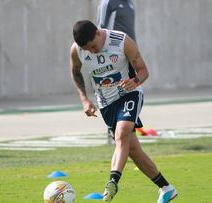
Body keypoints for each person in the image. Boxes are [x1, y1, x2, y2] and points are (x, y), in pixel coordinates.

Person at [70, 20, 177, 203]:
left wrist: (135, 82)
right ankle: (166, 188)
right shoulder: (77, 50)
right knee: (133, 150)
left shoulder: (121, 41)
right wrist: (84, 99)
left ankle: (113, 181)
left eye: (93, 47)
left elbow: (143, 70)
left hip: (129, 94)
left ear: (97, 33)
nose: (92, 52)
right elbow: (75, 71)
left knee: (121, 133)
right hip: (106, 104)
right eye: (88, 50)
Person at [97, 0, 137, 144]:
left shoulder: (130, 3)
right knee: (113, 94)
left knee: (131, 91)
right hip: (113, 55)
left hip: (129, 53)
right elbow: (101, 28)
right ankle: (112, 132)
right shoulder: (108, 3)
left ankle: (128, 133)